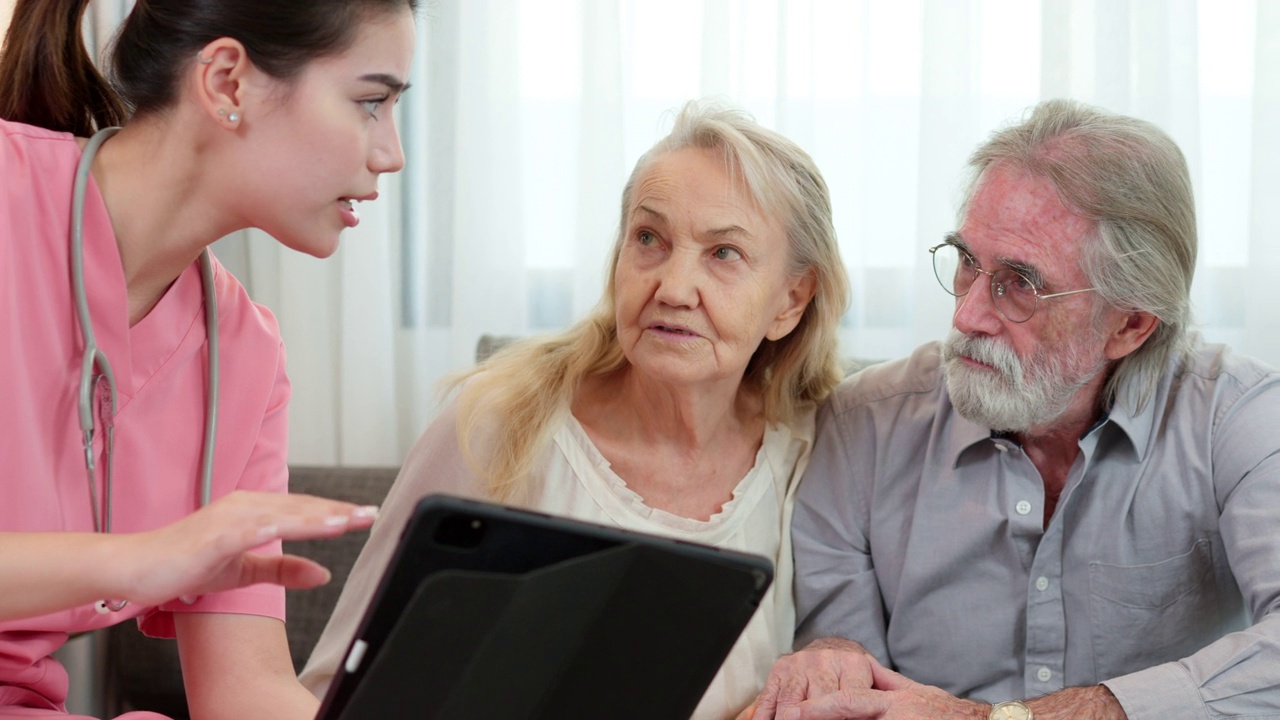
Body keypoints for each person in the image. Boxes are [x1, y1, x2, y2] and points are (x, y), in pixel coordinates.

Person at [298, 100, 851, 719]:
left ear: (792, 301)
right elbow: (336, 686)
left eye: (724, 254)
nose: (671, 288)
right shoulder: (502, 423)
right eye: (649, 239)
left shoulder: (815, 446)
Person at [745, 98, 1280, 720]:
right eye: (967, 262)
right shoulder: (862, 425)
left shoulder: (1237, 419)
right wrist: (831, 656)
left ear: (1130, 324)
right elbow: (852, 685)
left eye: (1020, 283)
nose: (966, 314)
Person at [0, 0, 417, 717]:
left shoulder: (247, 359)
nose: (392, 154)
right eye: (370, 103)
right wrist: (144, 558)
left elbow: (245, 692)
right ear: (227, 81)